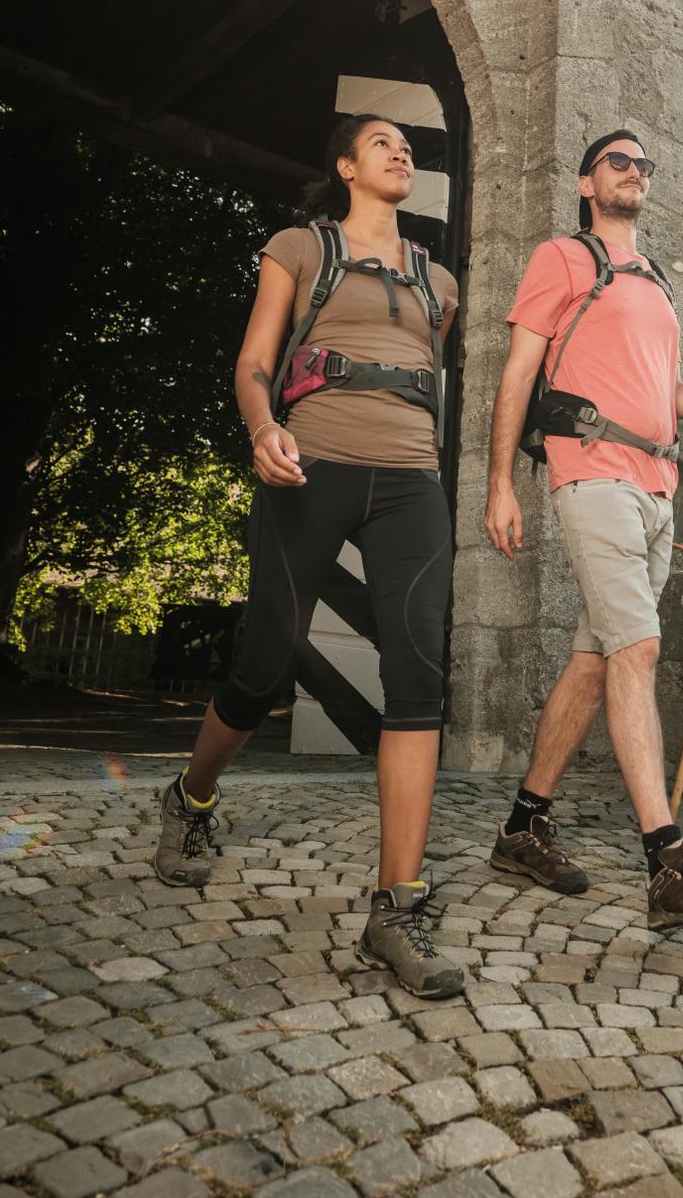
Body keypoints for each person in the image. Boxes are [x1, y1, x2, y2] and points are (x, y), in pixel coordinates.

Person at [152, 114, 464, 999]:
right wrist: (261, 429)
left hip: (410, 481)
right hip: (310, 465)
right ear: (343, 166)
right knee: (263, 663)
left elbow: (422, 376)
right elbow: (255, 362)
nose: (401, 152)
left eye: (408, 146)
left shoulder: (439, 281)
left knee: (419, 679)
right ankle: (191, 798)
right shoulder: (299, 245)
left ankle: (394, 909)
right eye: (380, 143)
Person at [483, 130, 683, 930]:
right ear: (587, 182)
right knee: (639, 646)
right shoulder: (562, 257)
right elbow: (519, 372)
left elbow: (671, 397)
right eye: (619, 162)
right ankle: (667, 861)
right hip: (590, 473)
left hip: (657, 487)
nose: (636, 173)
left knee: (596, 660)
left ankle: (523, 827)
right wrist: (498, 484)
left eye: (645, 165)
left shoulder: (656, 284)